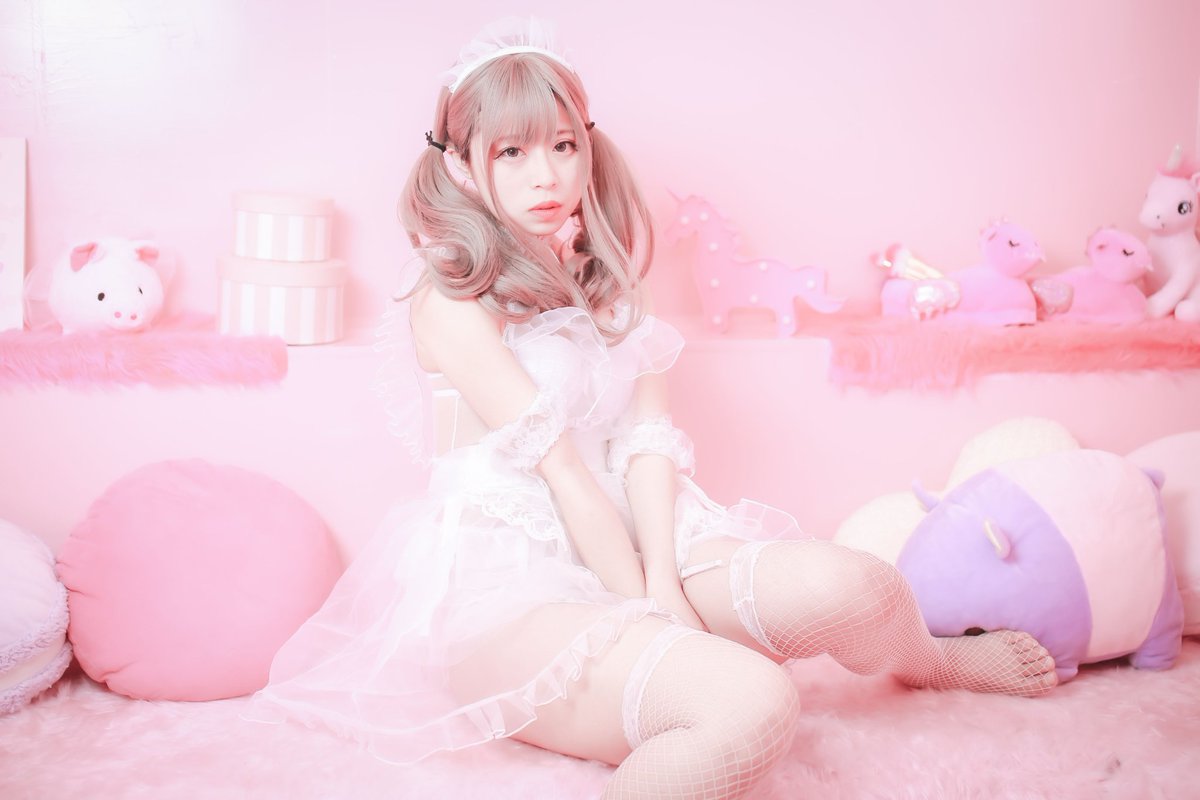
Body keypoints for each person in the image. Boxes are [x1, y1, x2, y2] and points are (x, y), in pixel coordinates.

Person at [248, 18, 1058, 799]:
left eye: (563, 145)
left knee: (861, 587)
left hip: (641, 536)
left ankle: (932, 662)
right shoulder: (450, 300)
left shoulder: (604, 282)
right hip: (511, 584)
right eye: (512, 152)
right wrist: (650, 610)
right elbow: (565, 475)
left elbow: (645, 446)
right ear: (461, 166)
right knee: (753, 706)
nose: (546, 175)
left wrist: (665, 580)